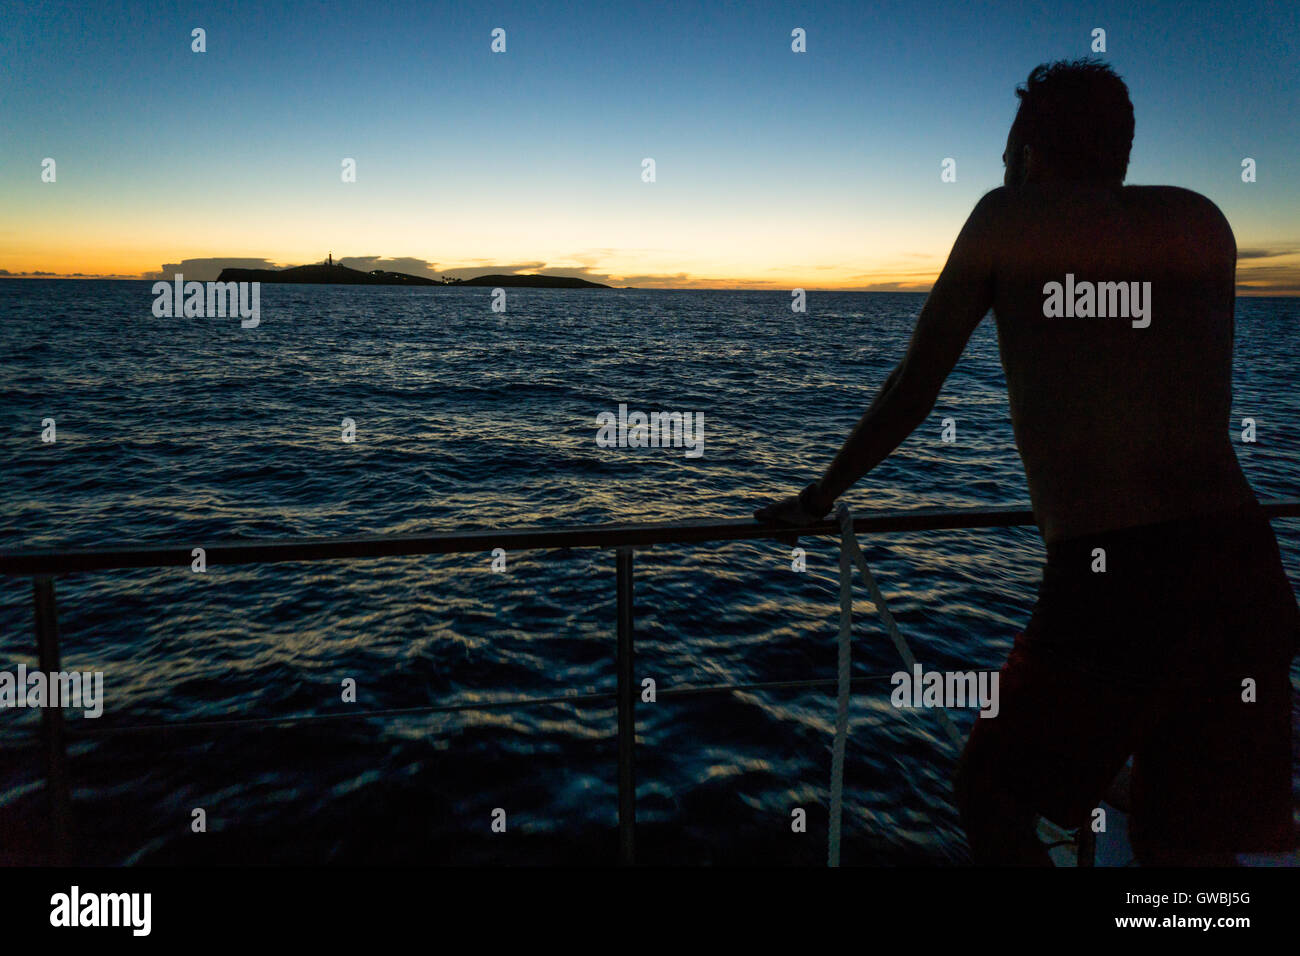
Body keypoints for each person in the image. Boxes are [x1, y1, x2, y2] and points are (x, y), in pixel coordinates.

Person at [755, 58, 1299, 865]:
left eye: (1008, 154)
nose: (1001, 170)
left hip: (1116, 584)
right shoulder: (1202, 221)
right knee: (1189, 843)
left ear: (1029, 154)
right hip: (1244, 566)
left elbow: (913, 388)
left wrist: (816, 495)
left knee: (992, 792)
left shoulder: (1008, 217)